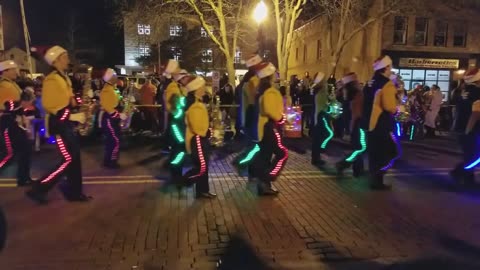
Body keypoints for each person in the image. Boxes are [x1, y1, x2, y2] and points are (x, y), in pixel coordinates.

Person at [26, 46, 90, 203]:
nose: (68, 59)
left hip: (67, 123)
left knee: (74, 159)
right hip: (60, 125)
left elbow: (69, 101)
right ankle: (39, 188)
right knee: (69, 159)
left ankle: (75, 192)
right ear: (56, 60)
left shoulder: (64, 78)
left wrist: (82, 101)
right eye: (65, 56)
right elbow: (51, 106)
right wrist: (73, 115)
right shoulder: (52, 79)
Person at [252, 62, 288, 196]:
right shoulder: (270, 91)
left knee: (265, 155)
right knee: (282, 153)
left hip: (263, 127)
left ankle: (264, 184)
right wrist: (281, 117)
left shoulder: (261, 90)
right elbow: (271, 110)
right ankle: (267, 179)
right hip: (270, 126)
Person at [365, 55, 400, 190]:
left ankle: (374, 179)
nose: (390, 70)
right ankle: (378, 179)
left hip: (370, 122)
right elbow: (389, 106)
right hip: (382, 123)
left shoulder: (371, 81)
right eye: (390, 67)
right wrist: (397, 109)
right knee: (391, 151)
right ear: (386, 67)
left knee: (374, 153)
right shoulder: (387, 83)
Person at [182, 75, 217, 199]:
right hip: (197, 139)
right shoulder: (196, 105)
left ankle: (202, 191)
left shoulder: (197, 103)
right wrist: (206, 132)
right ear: (196, 88)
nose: (204, 88)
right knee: (202, 166)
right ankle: (186, 180)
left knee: (203, 166)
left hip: (199, 139)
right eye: (202, 86)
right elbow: (197, 127)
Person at [0, 60, 33, 186]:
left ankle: (23, 178)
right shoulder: (3, 85)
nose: (16, 72)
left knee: (24, 149)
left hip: (15, 121)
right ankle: (23, 178)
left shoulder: (12, 84)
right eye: (13, 69)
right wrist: (21, 103)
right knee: (10, 153)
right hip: (8, 121)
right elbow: (5, 104)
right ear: (5, 71)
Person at [450, 68, 480, 186]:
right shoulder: (477, 93)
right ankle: (458, 172)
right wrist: (469, 130)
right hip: (472, 128)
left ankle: (468, 178)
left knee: (470, 154)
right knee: (474, 155)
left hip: (460, 126)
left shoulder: (462, 91)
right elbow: (476, 113)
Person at [335, 73, 366, 177]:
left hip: (352, 124)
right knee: (361, 148)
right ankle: (343, 163)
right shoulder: (358, 94)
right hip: (358, 123)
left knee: (358, 147)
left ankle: (358, 169)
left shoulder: (346, 95)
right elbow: (356, 113)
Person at [99, 68, 126, 168]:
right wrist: (119, 115)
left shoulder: (113, 88)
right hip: (110, 119)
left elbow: (117, 101)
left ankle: (109, 160)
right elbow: (109, 109)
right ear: (110, 78)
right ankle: (111, 162)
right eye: (114, 75)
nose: (116, 77)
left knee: (112, 140)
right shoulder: (107, 90)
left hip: (113, 118)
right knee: (114, 141)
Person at [310, 72, 333, 167]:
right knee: (328, 133)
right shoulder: (321, 90)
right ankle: (318, 154)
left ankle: (316, 156)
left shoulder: (318, 89)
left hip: (318, 115)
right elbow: (324, 103)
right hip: (321, 115)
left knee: (318, 137)